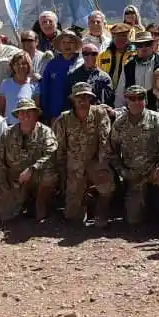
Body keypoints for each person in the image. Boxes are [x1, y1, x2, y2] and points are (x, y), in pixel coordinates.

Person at [108, 85, 159, 226]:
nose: (137, 101)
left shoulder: (156, 118)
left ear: (145, 100)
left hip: (153, 170)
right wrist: (122, 172)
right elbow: (112, 152)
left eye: (140, 98)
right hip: (133, 174)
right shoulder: (119, 123)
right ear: (126, 100)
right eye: (132, 98)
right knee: (133, 219)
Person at [54, 82, 114, 226]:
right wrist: (62, 172)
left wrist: (102, 167)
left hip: (95, 161)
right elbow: (59, 147)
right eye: (79, 97)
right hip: (74, 166)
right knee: (72, 216)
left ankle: (101, 213)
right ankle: (85, 201)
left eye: (86, 97)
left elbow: (105, 141)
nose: (82, 101)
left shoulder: (99, 113)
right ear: (73, 99)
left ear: (91, 99)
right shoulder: (64, 119)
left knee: (107, 184)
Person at [0, 99, 59, 223]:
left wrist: (32, 169)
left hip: (37, 175)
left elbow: (51, 154)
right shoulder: (7, 133)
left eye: (29, 112)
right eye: (22, 112)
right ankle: (23, 202)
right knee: (6, 217)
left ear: (36, 114)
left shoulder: (45, 132)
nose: (25, 115)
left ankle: (40, 205)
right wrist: (4, 186)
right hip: (16, 179)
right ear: (17, 116)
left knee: (49, 174)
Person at [114, 31, 159, 107]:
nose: (144, 47)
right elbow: (120, 95)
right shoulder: (128, 67)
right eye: (140, 45)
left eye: (147, 44)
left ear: (153, 45)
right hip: (135, 110)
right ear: (136, 47)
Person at [39, 29, 83, 123]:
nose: (67, 45)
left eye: (70, 42)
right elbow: (45, 90)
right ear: (59, 45)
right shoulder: (52, 64)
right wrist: (48, 114)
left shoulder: (82, 63)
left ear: (76, 44)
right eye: (64, 42)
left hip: (77, 115)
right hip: (55, 116)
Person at [0, 52, 40, 125]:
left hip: (28, 126)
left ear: (28, 66)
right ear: (13, 66)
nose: (20, 66)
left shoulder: (34, 84)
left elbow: (36, 109)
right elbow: (0, 108)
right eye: (17, 64)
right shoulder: (5, 83)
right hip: (9, 126)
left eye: (23, 63)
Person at [67, 43, 114, 107]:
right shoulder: (73, 75)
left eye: (94, 54)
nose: (90, 56)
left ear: (98, 55)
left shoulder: (105, 77)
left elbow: (109, 100)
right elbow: (68, 98)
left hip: (98, 111)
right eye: (86, 54)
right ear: (82, 55)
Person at [98, 23, 134, 92]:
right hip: (107, 92)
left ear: (129, 36)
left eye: (124, 36)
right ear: (113, 37)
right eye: (117, 36)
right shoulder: (103, 55)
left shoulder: (134, 54)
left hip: (128, 93)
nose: (120, 39)